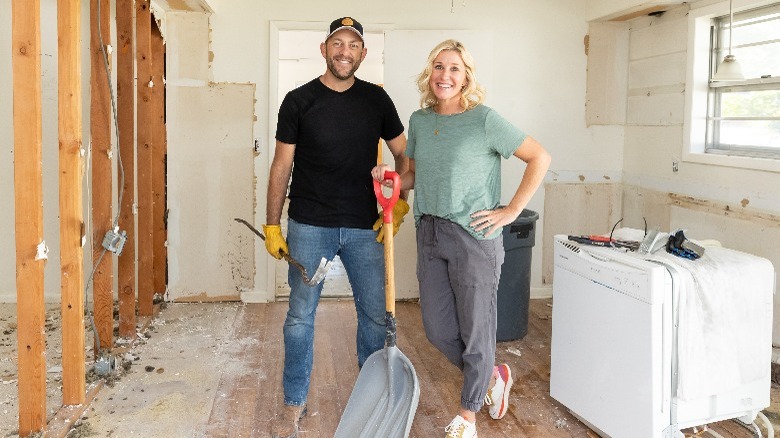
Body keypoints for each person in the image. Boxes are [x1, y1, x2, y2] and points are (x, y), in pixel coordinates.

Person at [372, 39, 551, 438]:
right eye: (438, 67)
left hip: (473, 236)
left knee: (476, 329)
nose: (445, 75)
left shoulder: (484, 119)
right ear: (429, 74)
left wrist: (511, 211)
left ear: (466, 75)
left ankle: (467, 415)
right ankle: (492, 375)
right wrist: (393, 180)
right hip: (430, 232)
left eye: (454, 68)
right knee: (437, 330)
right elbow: (416, 175)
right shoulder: (420, 121)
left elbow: (540, 157)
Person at [263, 16, 410, 438]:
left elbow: (405, 159)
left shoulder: (377, 102)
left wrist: (397, 203)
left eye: (354, 45)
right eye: (338, 43)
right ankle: (293, 402)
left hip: (366, 227)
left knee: (375, 319)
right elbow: (281, 165)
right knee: (299, 318)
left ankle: (373, 400)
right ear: (324, 49)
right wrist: (273, 225)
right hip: (310, 225)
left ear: (363, 54)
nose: (345, 51)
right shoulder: (298, 100)